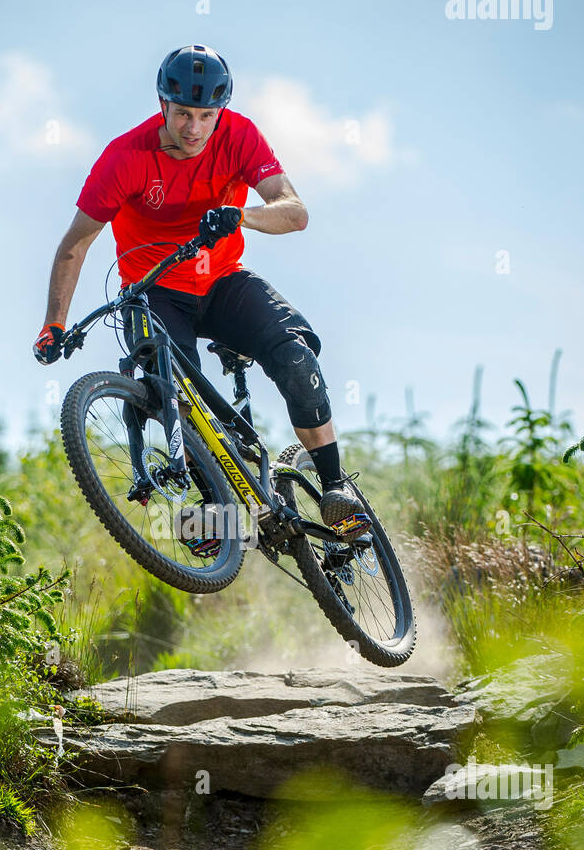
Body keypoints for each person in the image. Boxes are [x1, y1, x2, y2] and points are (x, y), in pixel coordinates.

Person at [34, 43, 363, 527]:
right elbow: (74, 245)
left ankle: (336, 490)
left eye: (205, 116)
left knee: (295, 356)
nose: (192, 128)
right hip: (155, 291)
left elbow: (296, 212)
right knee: (172, 392)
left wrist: (241, 216)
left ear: (220, 112)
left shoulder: (241, 136)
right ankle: (216, 505)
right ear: (162, 104)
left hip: (223, 281)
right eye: (182, 113)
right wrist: (53, 324)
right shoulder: (125, 157)